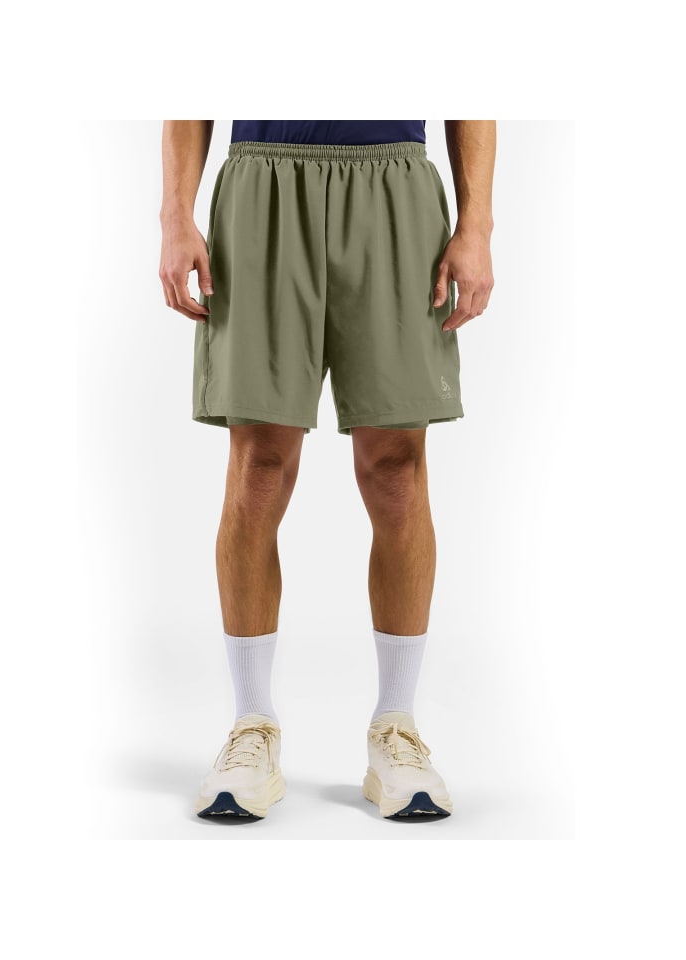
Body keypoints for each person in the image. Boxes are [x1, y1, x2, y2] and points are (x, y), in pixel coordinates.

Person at [159, 120, 495, 821]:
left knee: (396, 470)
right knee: (259, 466)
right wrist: (175, 214)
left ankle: (396, 727)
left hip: (394, 184)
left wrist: (476, 225)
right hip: (262, 182)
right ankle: (252, 725)